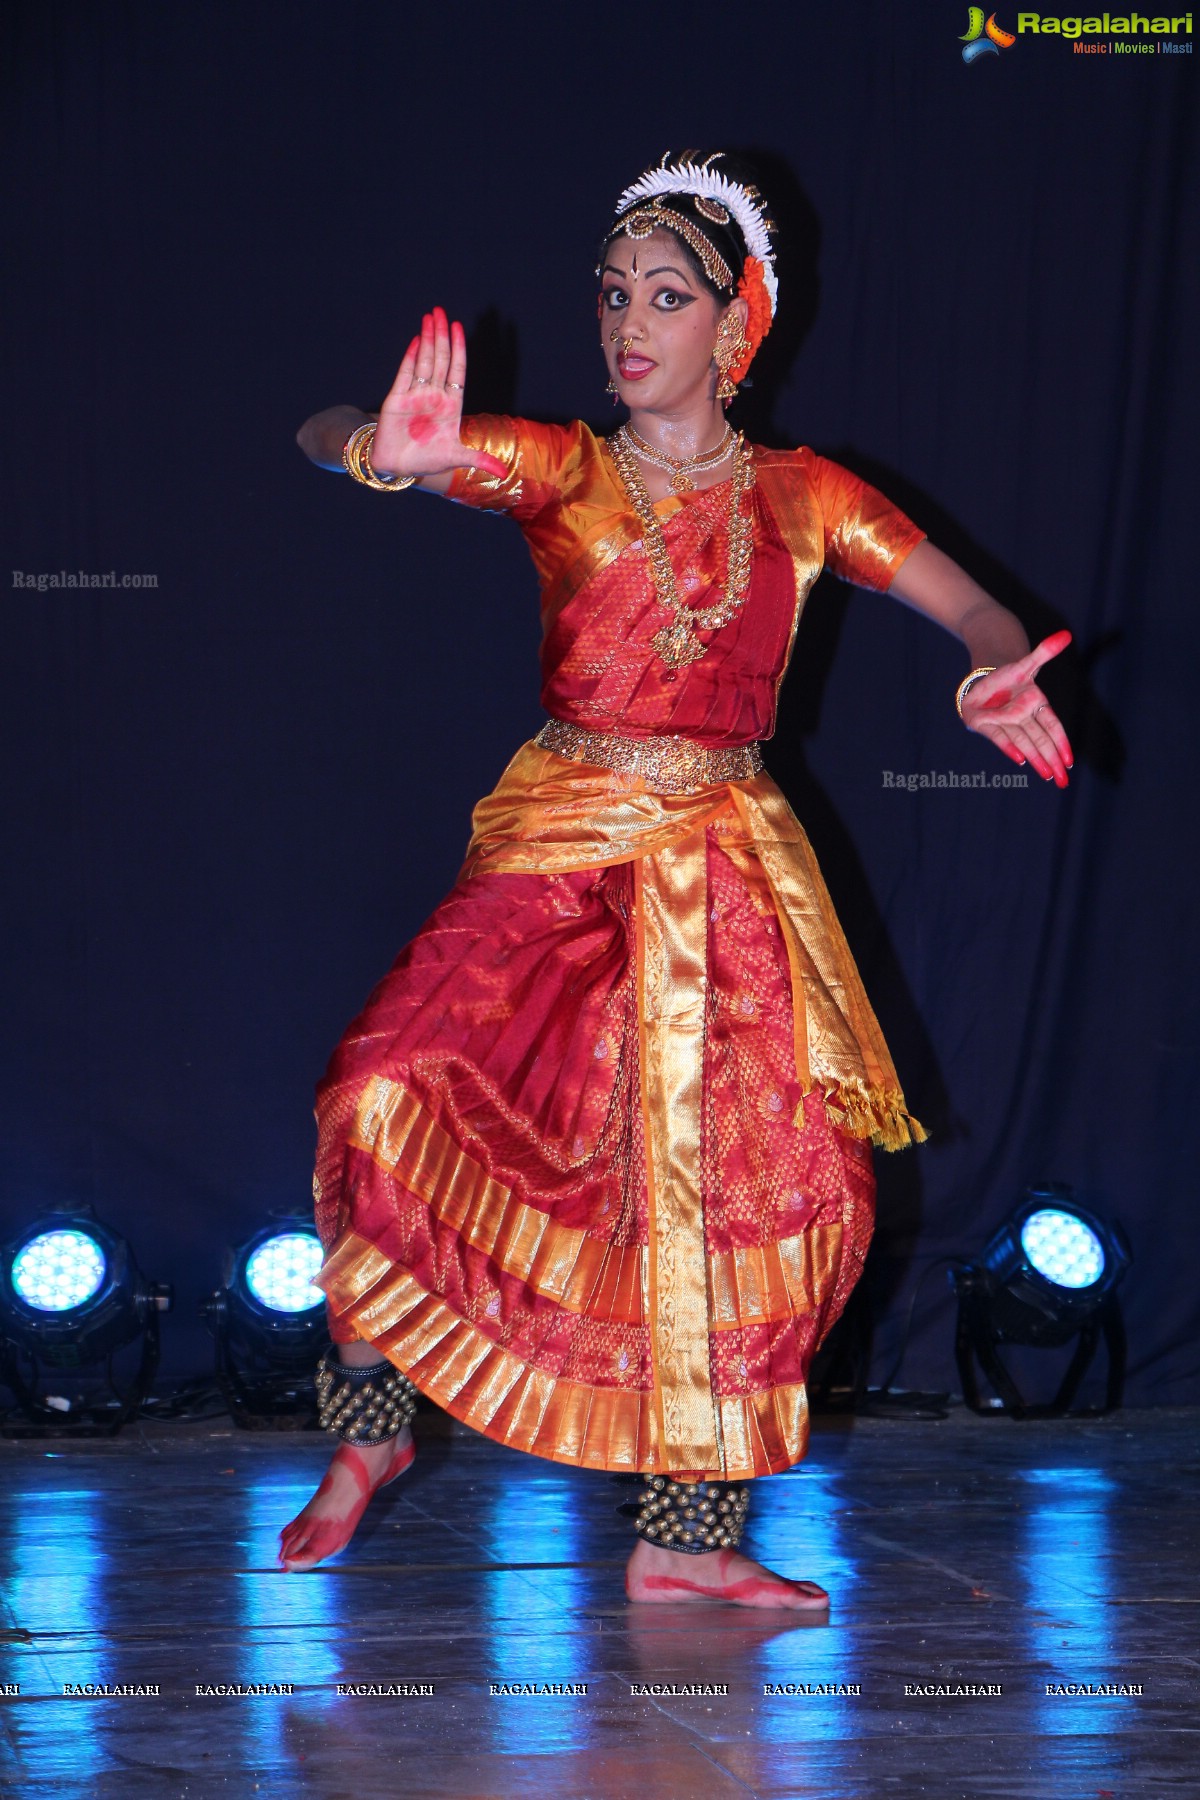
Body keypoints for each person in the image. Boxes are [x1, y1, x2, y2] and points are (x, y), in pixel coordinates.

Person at [278, 151, 1073, 1608]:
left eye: (666, 297)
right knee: (376, 1088)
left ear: (736, 325)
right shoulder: (569, 470)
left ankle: (683, 1544)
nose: (627, 324)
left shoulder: (806, 494)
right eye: (613, 296)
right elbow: (334, 426)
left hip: (727, 860)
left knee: (780, 1189)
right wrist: (380, 449)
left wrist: (984, 665)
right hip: (562, 836)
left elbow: (968, 599)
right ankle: (373, 1426)